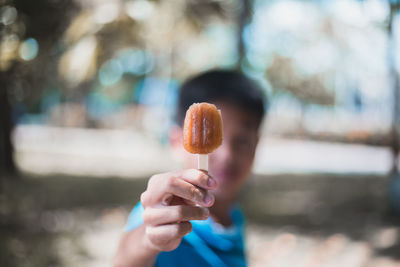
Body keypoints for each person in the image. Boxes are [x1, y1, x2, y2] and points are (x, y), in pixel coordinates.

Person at [113, 69, 266, 267]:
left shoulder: (234, 215)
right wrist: (148, 240)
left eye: (243, 141)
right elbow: (128, 256)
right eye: (214, 138)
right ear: (177, 141)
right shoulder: (166, 212)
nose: (228, 155)